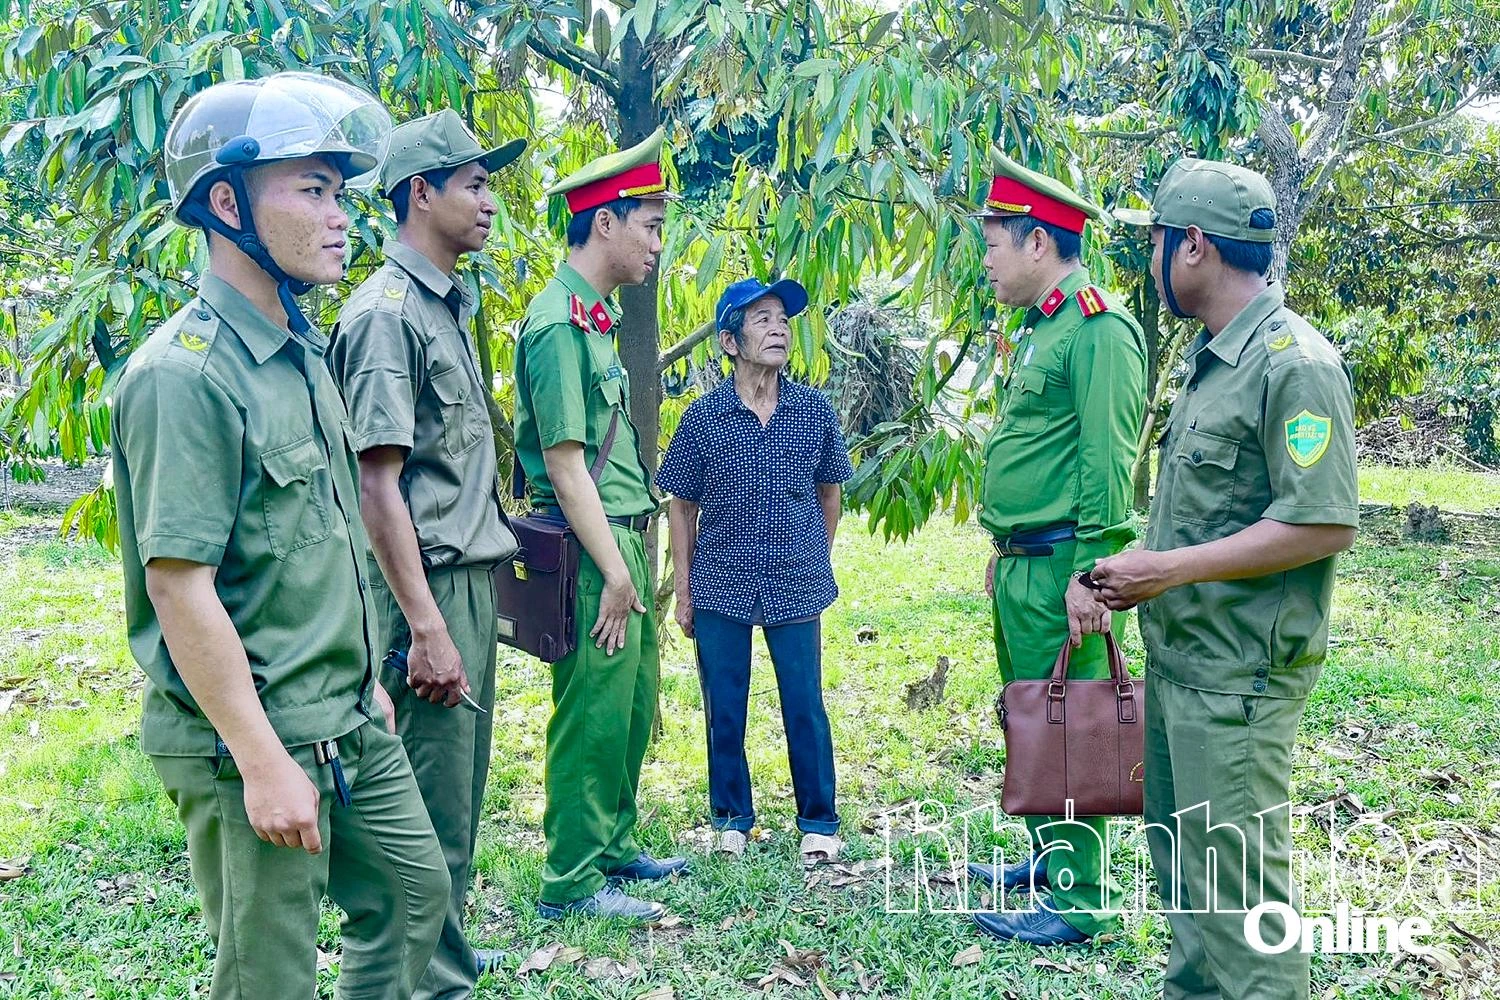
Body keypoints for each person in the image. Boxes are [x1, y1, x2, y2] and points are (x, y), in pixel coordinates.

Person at [111, 73, 448, 999]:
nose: (341, 216)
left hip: (343, 712)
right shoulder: (182, 377)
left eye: (340, 192)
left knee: (418, 899)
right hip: (248, 736)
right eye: (312, 190)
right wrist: (262, 761)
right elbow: (181, 587)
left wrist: (364, 678)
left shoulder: (301, 347)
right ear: (227, 204)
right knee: (268, 979)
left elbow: (328, 535)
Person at [1094, 159, 1358, 999]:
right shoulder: (1215, 361)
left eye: (1160, 244)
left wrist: (1164, 570)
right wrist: (1128, 572)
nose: (1154, 263)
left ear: (1195, 246)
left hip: (1238, 681)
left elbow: (1322, 522)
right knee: (1191, 902)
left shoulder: (1295, 364)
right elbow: (1206, 515)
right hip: (1184, 666)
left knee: (1244, 915)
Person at [328, 109, 524, 995]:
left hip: (461, 581)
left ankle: (445, 970)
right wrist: (426, 626)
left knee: (457, 805)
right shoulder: (386, 315)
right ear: (421, 193)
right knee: (429, 822)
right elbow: (378, 489)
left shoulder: (444, 305)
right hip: (426, 590)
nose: (490, 202)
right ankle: (431, 983)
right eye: (474, 183)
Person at [964, 150, 1147, 946]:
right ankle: (1046, 860)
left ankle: (1079, 900)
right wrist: (1006, 545)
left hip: (1062, 570)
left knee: (1075, 727)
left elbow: (1109, 463)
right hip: (1023, 564)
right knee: (1034, 718)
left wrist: (1091, 575)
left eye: (995, 242)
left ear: (1039, 243)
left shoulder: (1099, 328)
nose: (987, 259)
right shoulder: (1039, 331)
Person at [511, 127, 689, 921]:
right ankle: (572, 880)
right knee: (589, 708)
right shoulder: (555, 325)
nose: (658, 242)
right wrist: (614, 569)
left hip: (620, 532)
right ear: (605, 223)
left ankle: (614, 845)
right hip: (592, 546)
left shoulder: (594, 319)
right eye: (650, 225)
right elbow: (562, 463)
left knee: (628, 699)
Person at [655, 277, 853, 865]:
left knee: (805, 701)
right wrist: (685, 590)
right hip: (721, 580)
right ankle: (731, 818)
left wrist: (814, 555)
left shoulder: (812, 409)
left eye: (783, 320)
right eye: (762, 319)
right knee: (725, 701)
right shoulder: (703, 418)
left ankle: (818, 821)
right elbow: (681, 506)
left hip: (797, 578)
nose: (778, 329)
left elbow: (830, 493)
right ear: (729, 341)